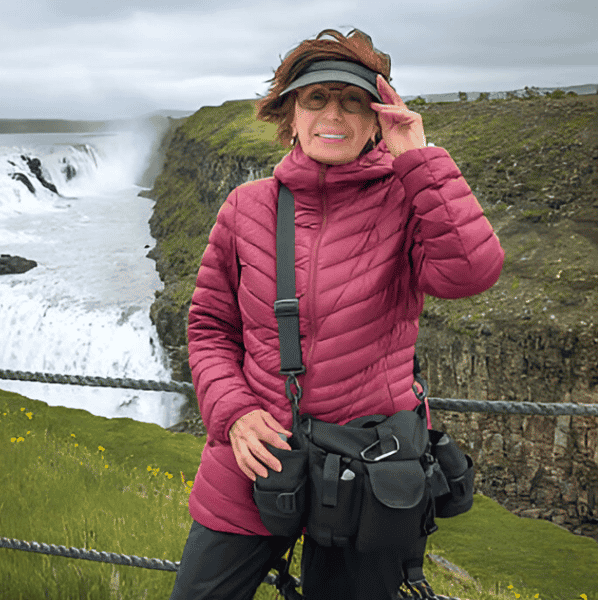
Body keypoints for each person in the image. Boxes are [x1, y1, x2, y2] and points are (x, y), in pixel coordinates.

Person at [169, 28, 504, 600]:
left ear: (378, 119)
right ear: (290, 115)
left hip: (368, 470)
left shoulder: (408, 200)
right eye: (315, 98)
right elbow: (209, 328)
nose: (334, 114)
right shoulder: (245, 207)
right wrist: (234, 412)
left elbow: (471, 273)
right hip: (256, 457)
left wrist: (418, 158)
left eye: (354, 101)